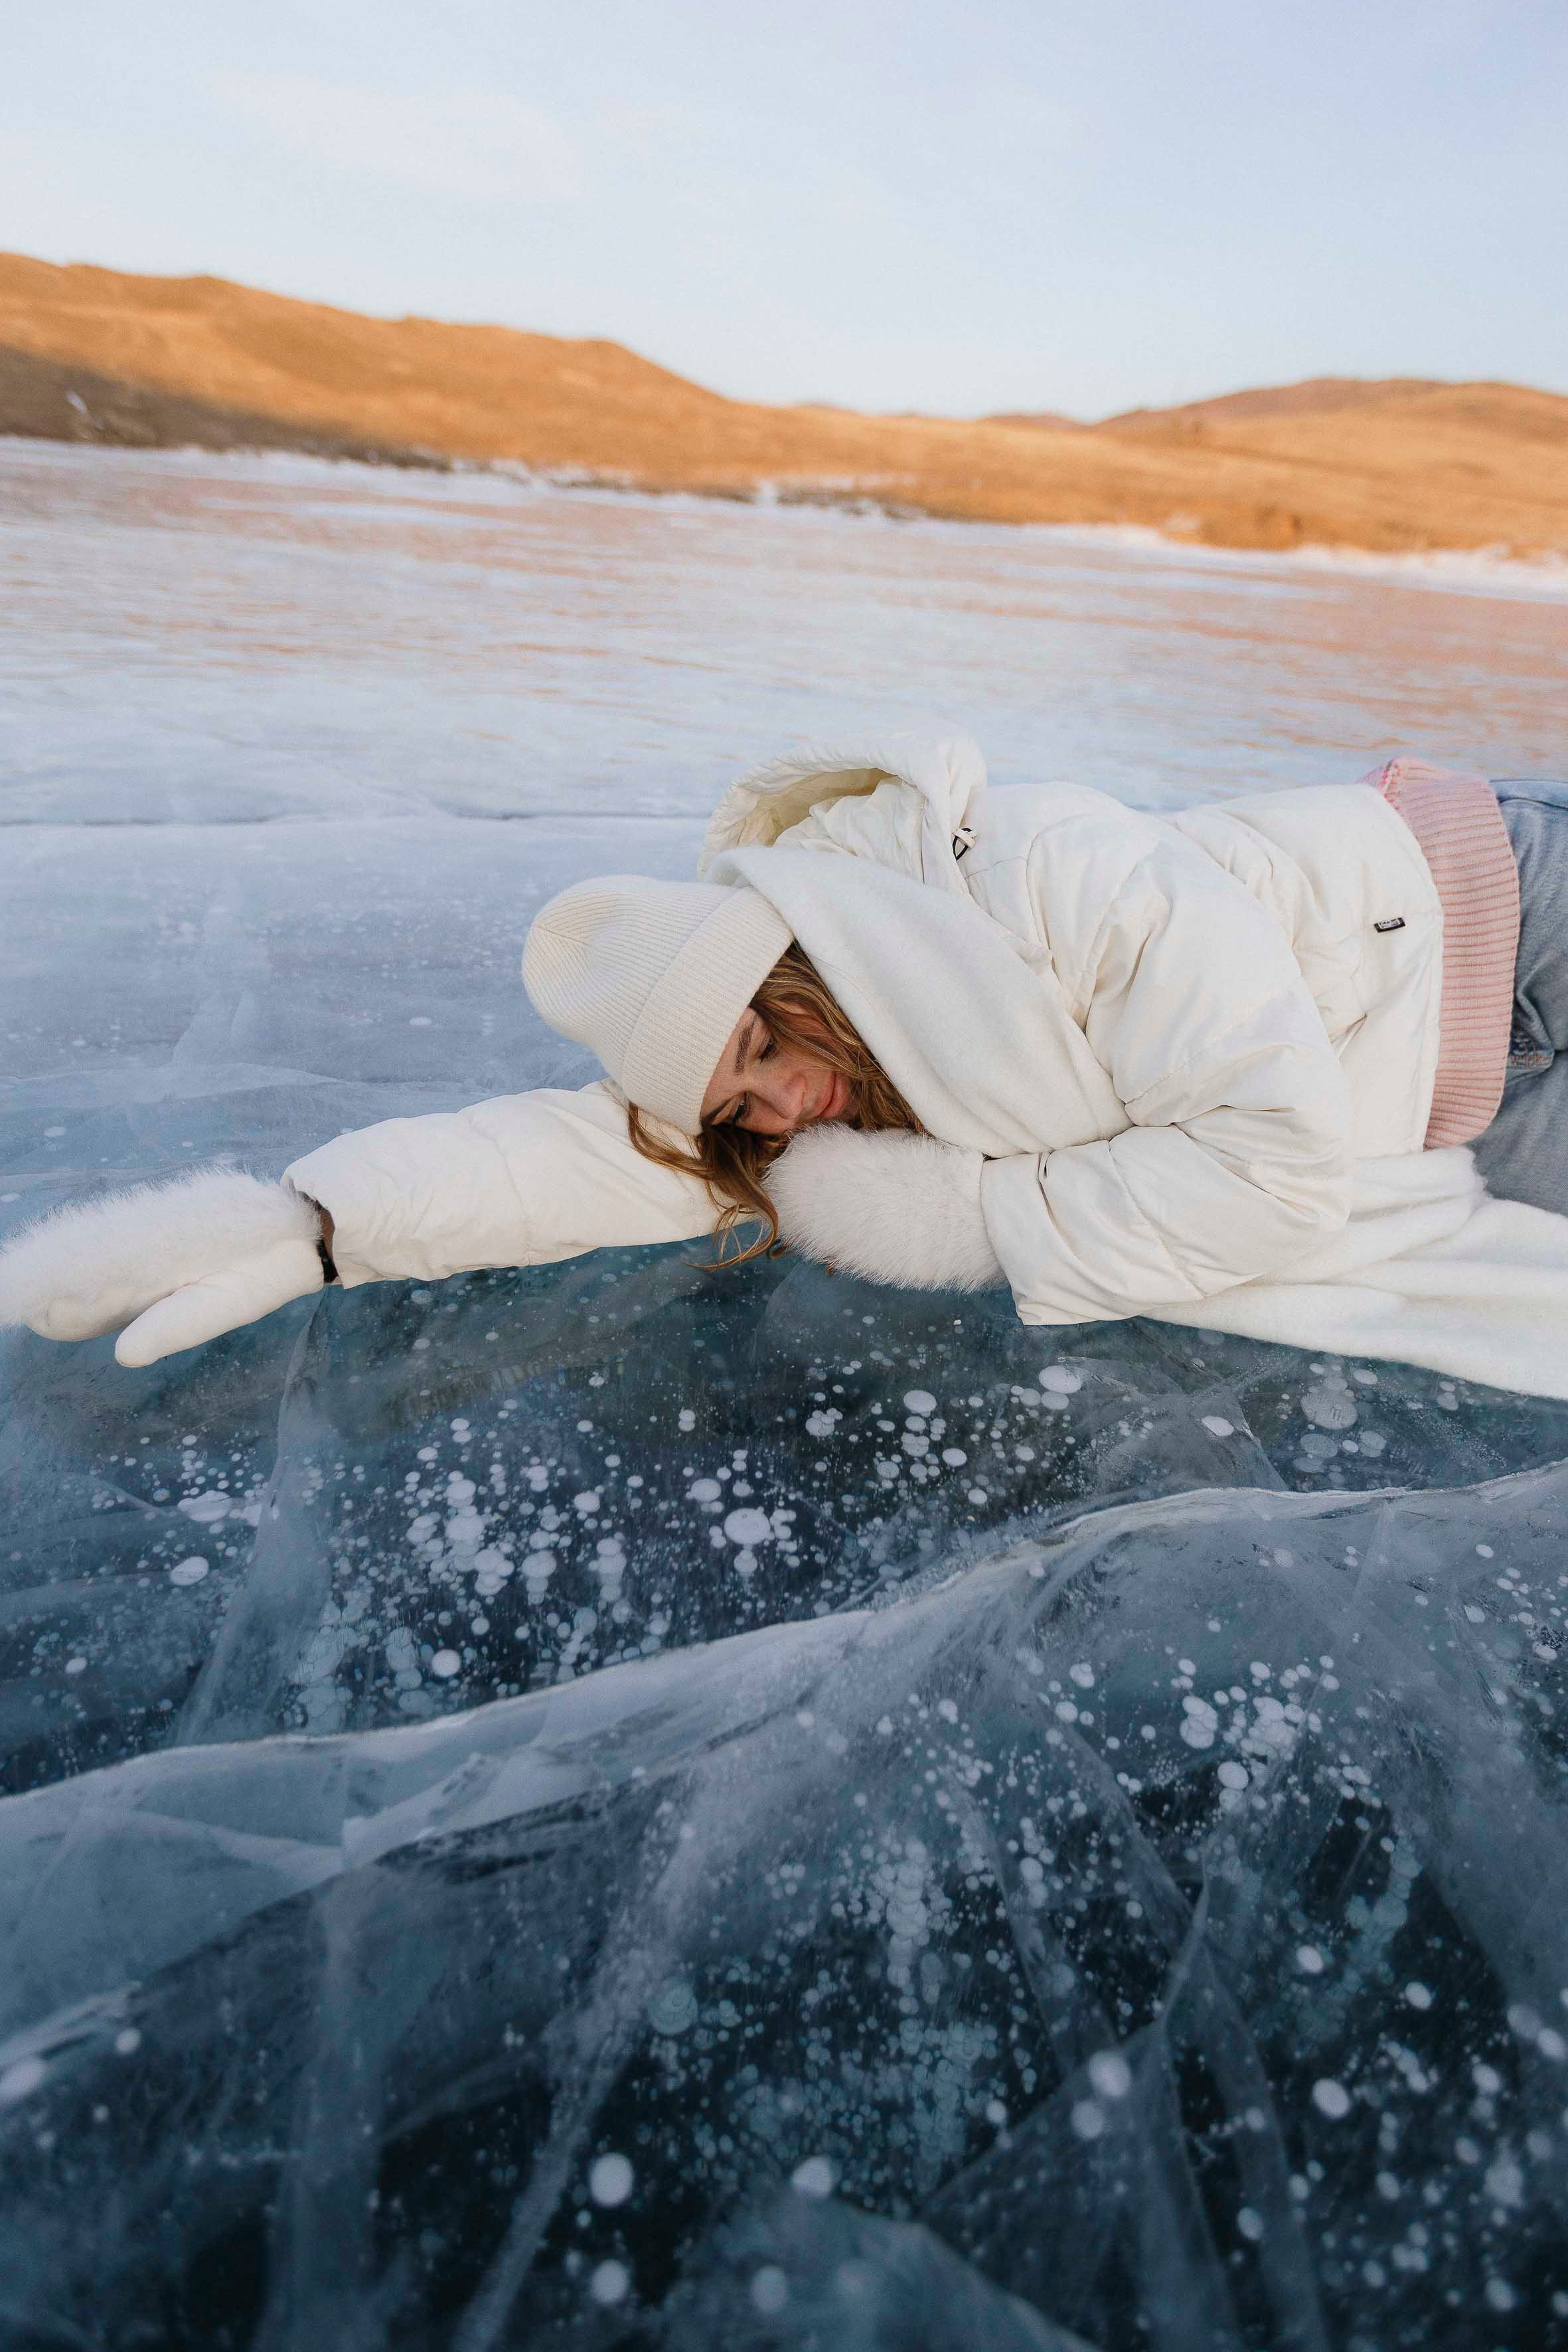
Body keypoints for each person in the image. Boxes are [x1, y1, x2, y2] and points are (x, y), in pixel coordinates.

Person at [3, 734, 1567, 1396]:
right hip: (1451, 1110)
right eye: (739, 1108)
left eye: (763, 1044)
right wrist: (311, 1220)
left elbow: (1271, 1171)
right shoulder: (811, 1098)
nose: (785, 1109)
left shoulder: (1029, 867)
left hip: (1482, 898)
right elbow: (558, 1157)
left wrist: (970, 1221)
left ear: (794, 953)